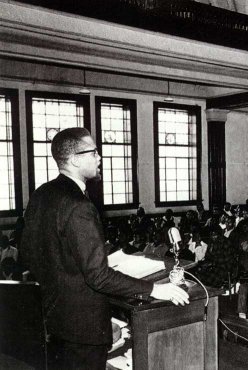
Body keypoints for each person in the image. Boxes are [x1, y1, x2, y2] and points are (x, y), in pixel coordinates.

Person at [21, 128, 189, 370]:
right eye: (94, 152)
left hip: (53, 318)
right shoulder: (79, 205)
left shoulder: (42, 194)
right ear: (75, 159)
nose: (100, 157)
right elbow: (98, 276)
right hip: (84, 328)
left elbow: (29, 253)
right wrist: (156, 289)